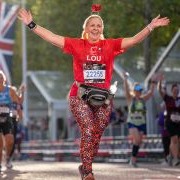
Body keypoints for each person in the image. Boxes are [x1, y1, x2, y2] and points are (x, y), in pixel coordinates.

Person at [18, 6, 169, 180]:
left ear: (102, 29)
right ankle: (88, 172)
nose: (96, 28)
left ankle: (85, 164)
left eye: (99, 25)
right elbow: (53, 37)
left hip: (103, 98)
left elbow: (134, 40)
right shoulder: (77, 44)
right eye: (92, 25)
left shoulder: (110, 46)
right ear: (86, 29)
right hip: (79, 95)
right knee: (88, 129)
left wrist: (151, 26)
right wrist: (31, 24)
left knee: (96, 134)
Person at [123, 72, 157, 167]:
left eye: (140, 89)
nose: (139, 91)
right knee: (137, 139)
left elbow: (150, 93)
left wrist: (153, 81)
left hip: (141, 123)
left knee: (138, 142)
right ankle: (133, 160)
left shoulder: (142, 99)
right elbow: (126, 90)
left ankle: (133, 160)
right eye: (137, 89)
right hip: (132, 122)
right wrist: (125, 79)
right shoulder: (131, 99)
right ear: (134, 90)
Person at [158, 76, 180, 166]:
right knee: (174, 140)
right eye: (174, 90)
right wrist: (159, 82)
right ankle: (175, 159)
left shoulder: (179, 100)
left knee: (176, 141)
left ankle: (170, 156)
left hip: (178, 123)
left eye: (177, 90)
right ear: (172, 91)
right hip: (170, 123)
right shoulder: (168, 98)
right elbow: (160, 91)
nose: (176, 91)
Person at [9, 85, 24, 164]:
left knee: (13, 140)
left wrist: (22, 92)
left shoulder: (17, 103)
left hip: (14, 122)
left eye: (14, 92)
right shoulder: (6, 100)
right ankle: (6, 154)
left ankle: (10, 156)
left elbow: (21, 115)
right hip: (5, 121)